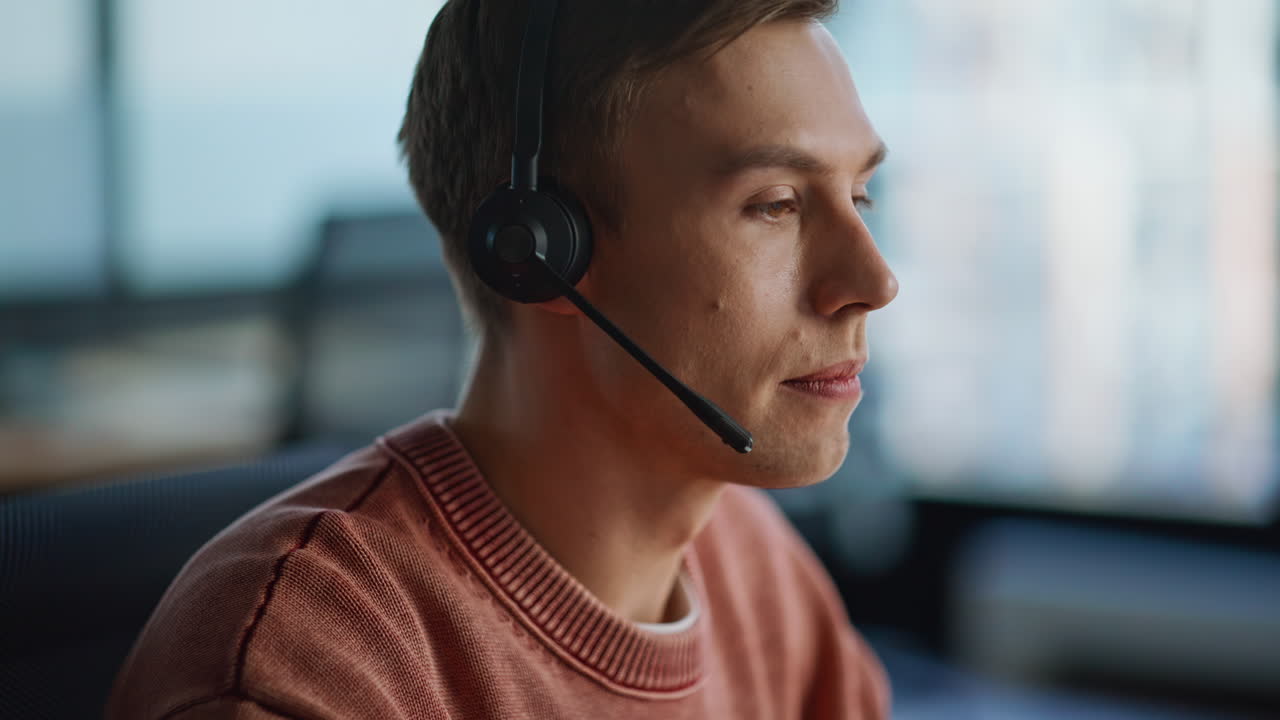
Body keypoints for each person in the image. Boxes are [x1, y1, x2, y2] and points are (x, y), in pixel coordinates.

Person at [107, 0, 898, 717]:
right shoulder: (314, 667)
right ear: (541, 254)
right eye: (776, 206)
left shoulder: (758, 572)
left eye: (859, 197)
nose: (873, 281)